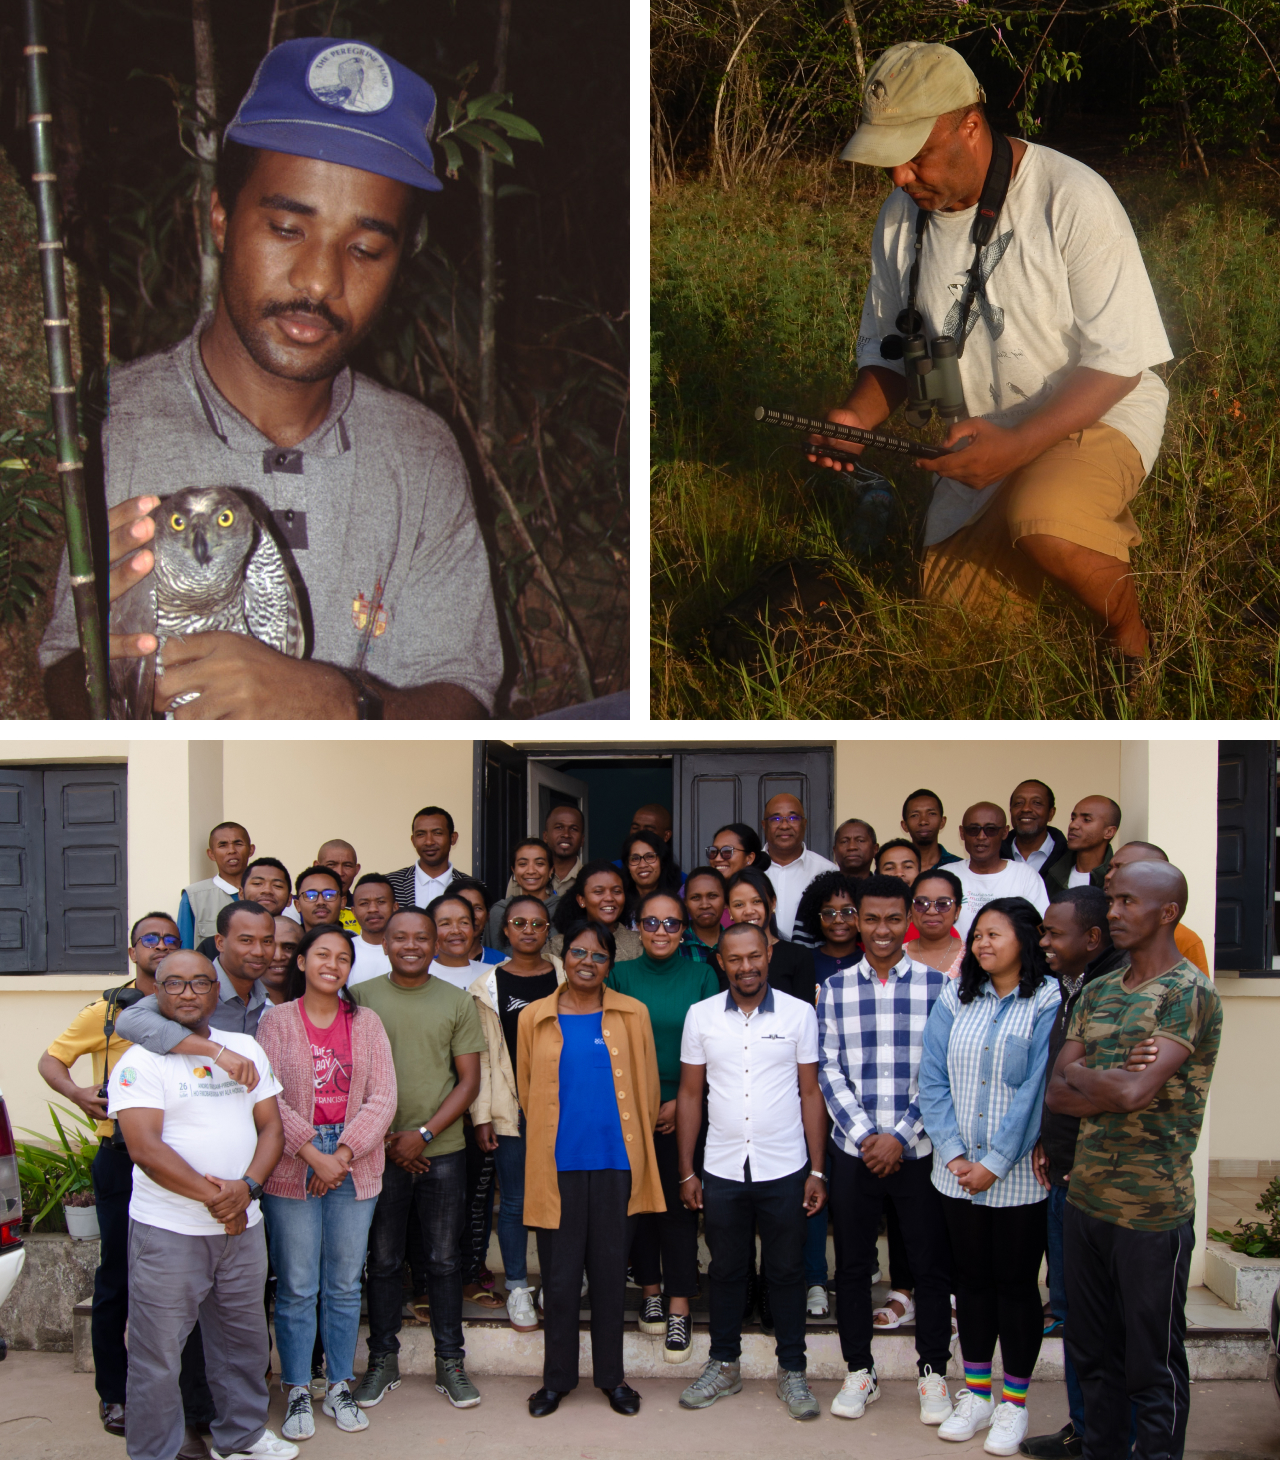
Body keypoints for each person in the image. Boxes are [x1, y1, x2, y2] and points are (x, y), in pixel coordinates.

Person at [42, 38, 500, 718]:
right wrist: (101, 655)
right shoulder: (109, 427)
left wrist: (340, 702)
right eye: (288, 228)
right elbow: (56, 677)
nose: (320, 279)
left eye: (366, 248)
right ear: (220, 218)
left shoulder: (419, 454)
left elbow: (464, 699)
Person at [813, 43, 1171, 660]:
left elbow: (1120, 361)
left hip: (1097, 412)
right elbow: (892, 351)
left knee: (1045, 518)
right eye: (888, 163)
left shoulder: (1071, 197)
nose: (898, 178)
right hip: (981, 438)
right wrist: (857, 418)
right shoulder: (901, 217)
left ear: (970, 127)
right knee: (952, 634)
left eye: (913, 157)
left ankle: (1132, 639)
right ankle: (1045, 537)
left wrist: (1020, 447)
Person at [1047, 861, 1222, 1460]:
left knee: (1152, 1363)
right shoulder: (1096, 991)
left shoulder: (1187, 993)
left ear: (1166, 912)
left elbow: (1132, 1095)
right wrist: (1108, 1076)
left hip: (1152, 1214)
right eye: (1111, 901)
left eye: (1125, 902)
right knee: (1093, 1355)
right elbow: (1057, 1092)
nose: (1113, 912)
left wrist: (1095, 1076)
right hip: (1086, 1201)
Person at [106, 951, 291, 1460]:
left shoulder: (245, 1045)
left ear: (216, 990)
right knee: (157, 1355)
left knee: (243, 1342)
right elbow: (145, 1149)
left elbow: (271, 1127)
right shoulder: (140, 1060)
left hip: (243, 1227)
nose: (188, 993)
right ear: (156, 992)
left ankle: (244, 1437)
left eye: (199, 983)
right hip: (169, 1230)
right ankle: (156, 1451)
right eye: (175, 984)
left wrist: (247, 1190)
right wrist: (219, 1199)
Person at [38, 913, 194, 1445]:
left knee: (184, 1276)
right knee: (120, 1273)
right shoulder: (105, 1010)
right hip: (123, 1154)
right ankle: (115, 1391)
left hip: (183, 1154)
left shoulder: (190, 1007)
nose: (161, 946)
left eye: (171, 939)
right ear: (133, 951)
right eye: (150, 939)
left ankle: (183, 1389)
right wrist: (80, 1095)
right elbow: (52, 1060)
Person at [918, 898, 1061, 1455]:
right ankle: (976, 1397)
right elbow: (932, 1079)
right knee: (970, 1284)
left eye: (994, 934)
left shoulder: (1048, 1000)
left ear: (1025, 939)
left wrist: (995, 1163)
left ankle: (1014, 1406)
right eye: (977, 935)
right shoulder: (957, 996)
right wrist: (955, 1156)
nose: (981, 944)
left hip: (1018, 1175)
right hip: (954, 1174)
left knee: (1016, 1287)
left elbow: (1038, 1091)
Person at [676, 921, 828, 1421]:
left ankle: (793, 1371)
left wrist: (817, 1170)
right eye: (734, 958)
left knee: (785, 1272)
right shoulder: (700, 1017)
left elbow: (810, 1093)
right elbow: (691, 1095)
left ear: (768, 954)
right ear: (721, 962)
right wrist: (686, 1170)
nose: (746, 967)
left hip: (784, 1166)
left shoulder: (800, 1013)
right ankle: (724, 1365)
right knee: (725, 1271)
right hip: (720, 1167)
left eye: (753, 956)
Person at [818, 875, 953, 1424]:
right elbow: (827, 1070)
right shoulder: (834, 988)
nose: (880, 930)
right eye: (868, 919)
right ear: (855, 920)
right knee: (852, 1266)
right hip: (854, 1152)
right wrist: (867, 1137)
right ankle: (860, 1371)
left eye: (893, 919)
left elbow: (938, 1073)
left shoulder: (938, 985)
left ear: (909, 920)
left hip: (917, 1152)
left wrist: (898, 1136)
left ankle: (933, 1374)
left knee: (929, 1265)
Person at [255, 925, 397, 1440]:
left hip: (354, 1159)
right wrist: (313, 1154)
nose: (331, 964)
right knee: (296, 1285)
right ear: (301, 962)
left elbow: (383, 1098)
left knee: (342, 1284)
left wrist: (339, 1154)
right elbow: (268, 1097)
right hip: (293, 1161)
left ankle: (338, 1382)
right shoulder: (275, 1022)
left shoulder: (367, 1022)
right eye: (321, 954)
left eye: (342, 957)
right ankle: (297, 1387)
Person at [518, 919, 662, 1417]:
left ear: (610, 964)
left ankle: (612, 1379)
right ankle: (555, 1381)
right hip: (556, 1166)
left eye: (599, 956)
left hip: (617, 1165)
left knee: (606, 1277)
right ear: (563, 955)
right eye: (578, 953)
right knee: (558, 1281)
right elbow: (526, 1087)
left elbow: (647, 1091)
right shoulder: (534, 1017)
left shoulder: (632, 1014)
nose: (587, 963)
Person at [348, 907, 486, 1410]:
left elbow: (468, 1082)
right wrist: (385, 1138)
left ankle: (450, 1361)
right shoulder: (361, 999)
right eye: (399, 937)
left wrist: (423, 1134)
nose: (411, 945)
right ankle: (383, 1358)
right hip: (375, 1151)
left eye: (421, 937)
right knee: (382, 1261)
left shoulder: (456, 1000)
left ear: (438, 944)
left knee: (445, 1260)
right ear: (383, 943)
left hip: (442, 1151)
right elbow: (352, 1076)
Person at [1023, 886, 1132, 1460]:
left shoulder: (1118, 992)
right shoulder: (1075, 986)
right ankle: (1085, 1431)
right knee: (1074, 1318)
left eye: (1052, 933)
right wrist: (1047, 1133)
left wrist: (1066, 1096)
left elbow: (1103, 1090)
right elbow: (1061, 1084)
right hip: (1064, 1173)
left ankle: (1115, 1437)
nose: (1043, 943)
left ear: (1091, 939)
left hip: (1105, 1183)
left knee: (1108, 1326)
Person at [609, 891, 719, 1362]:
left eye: (671, 924)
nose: (660, 932)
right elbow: (608, 1042)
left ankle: (679, 1304)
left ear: (685, 928)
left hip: (687, 1108)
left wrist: (679, 1103)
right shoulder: (620, 975)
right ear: (637, 926)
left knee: (678, 1206)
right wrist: (641, 1102)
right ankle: (649, 1290)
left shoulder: (702, 975)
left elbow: (720, 1043)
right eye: (650, 923)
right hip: (628, 1109)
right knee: (638, 1206)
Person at [469, 896, 563, 1334]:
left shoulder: (566, 973)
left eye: (538, 923)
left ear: (548, 931)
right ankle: (520, 1287)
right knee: (515, 1202)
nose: (529, 930)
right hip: (512, 1110)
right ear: (504, 930)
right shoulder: (486, 987)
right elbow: (483, 1059)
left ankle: (559, 1279)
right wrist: (482, 1115)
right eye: (519, 923)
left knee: (563, 1197)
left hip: (565, 1108)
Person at [117, 901, 278, 1053]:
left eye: (267, 941)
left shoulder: (262, 993)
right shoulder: (195, 985)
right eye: (246, 940)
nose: (259, 951)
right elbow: (129, 1020)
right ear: (220, 943)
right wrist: (213, 1051)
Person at [1103, 842, 1209, 973]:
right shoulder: (1102, 924)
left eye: (1122, 868)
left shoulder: (1183, 939)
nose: (1108, 876)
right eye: (1109, 869)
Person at [723, 867, 818, 1005]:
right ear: (729, 910)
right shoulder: (719, 959)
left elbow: (804, 1016)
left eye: (757, 901)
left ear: (773, 902)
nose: (749, 911)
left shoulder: (798, 956)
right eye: (739, 905)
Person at [953, 805, 1049, 939]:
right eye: (973, 829)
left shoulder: (1025, 875)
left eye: (991, 830)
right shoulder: (946, 875)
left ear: (1005, 832)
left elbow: (1040, 929)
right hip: (955, 960)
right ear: (962, 833)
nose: (981, 836)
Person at [758, 794, 837, 941]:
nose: (784, 825)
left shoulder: (827, 871)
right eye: (775, 819)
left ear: (804, 824)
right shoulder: (749, 869)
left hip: (810, 961)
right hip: (752, 959)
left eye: (793, 818)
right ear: (764, 825)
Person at [197, 858, 295, 961]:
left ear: (289, 899)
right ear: (241, 893)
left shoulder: (298, 939)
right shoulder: (212, 946)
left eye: (277, 885)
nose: (267, 890)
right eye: (257, 883)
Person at [179, 823, 255, 947]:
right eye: (223, 845)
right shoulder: (194, 897)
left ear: (251, 850)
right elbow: (184, 953)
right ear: (211, 854)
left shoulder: (265, 893)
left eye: (238, 844)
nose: (231, 851)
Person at [549, 860, 641, 962]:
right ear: (582, 900)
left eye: (616, 891)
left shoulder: (639, 944)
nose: (609, 898)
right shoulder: (558, 945)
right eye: (598, 892)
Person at [487, 839, 560, 952]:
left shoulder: (564, 910)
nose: (531, 871)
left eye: (539, 863)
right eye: (522, 864)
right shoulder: (499, 911)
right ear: (513, 870)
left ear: (551, 870)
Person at [795, 870, 862, 988]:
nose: (838, 920)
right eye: (828, 913)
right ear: (817, 918)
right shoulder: (804, 962)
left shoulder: (870, 962)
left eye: (848, 912)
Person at [1044, 797, 1121, 893]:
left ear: (1109, 832)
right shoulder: (1052, 874)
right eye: (1073, 818)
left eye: (1086, 820)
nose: (1073, 825)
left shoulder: (1116, 881)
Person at [388, 807, 460, 908]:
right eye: (421, 834)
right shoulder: (390, 885)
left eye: (437, 833)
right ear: (413, 841)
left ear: (453, 838)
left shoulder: (472, 887)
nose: (429, 842)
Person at [907, 868, 966, 977]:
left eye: (943, 903)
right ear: (910, 909)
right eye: (921, 903)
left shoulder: (973, 957)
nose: (931, 911)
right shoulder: (895, 957)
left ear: (957, 911)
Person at [1000, 782, 1066, 875]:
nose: (1026, 808)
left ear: (1051, 813)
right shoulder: (993, 856)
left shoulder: (1069, 858)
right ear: (1010, 811)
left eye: (1037, 803)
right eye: (1019, 803)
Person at [426, 893, 489, 991]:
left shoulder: (491, 974)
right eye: (445, 924)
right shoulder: (421, 975)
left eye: (464, 923)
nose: (456, 930)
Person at [620, 829, 683, 920]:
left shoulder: (679, 899)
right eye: (635, 858)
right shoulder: (620, 901)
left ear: (662, 862)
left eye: (650, 857)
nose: (642, 865)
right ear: (627, 865)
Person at [347, 874, 396, 986]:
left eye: (381, 902)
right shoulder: (343, 950)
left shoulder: (409, 949)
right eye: (364, 903)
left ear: (395, 907)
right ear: (353, 912)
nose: (373, 909)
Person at [901, 791, 963, 872]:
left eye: (931, 814)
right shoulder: (895, 870)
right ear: (904, 825)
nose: (923, 821)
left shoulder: (959, 867)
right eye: (914, 815)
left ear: (942, 822)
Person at [682, 866, 727, 963]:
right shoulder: (677, 944)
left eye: (712, 896)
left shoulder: (735, 942)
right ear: (685, 903)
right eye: (695, 897)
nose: (705, 905)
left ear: (725, 900)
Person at [315, 841, 362, 932]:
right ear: (317, 866)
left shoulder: (362, 909)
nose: (340, 873)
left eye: (347, 866)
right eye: (331, 865)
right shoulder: (300, 906)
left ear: (357, 870)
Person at [293, 866, 345, 933]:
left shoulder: (354, 943)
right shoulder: (289, 942)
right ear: (298, 905)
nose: (320, 902)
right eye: (311, 896)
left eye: (329, 895)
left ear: (343, 902)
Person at [264, 917, 303, 1004]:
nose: (278, 957)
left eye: (289, 948)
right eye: (270, 946)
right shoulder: (241, 1001)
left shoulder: (319, 1000)